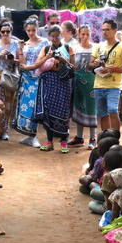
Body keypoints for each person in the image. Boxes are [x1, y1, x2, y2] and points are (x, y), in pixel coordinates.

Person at [32, 25, 75, 153]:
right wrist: (48, 57)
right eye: (52, 37)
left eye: (57, 36)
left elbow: (74, 68)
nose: (55, 39)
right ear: (49, 37)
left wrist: (64, 60)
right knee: (49, 111)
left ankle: (63, 141)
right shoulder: (45, 49)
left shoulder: (68, 48)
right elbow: (37, 65)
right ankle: (49, 141)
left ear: (61, 35)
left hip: (64, 83)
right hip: (49, 83)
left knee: (63, 111)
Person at [88, 19, 122, 131]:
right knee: (102, 114)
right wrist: (95, 63)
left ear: (115, 31)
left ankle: (115, 140)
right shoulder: (98, 47)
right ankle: (106, 139)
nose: (104, 32)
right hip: (99, 85)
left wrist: (113, 69)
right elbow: (89, 65)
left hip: (114, 86)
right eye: (103, 30)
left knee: (113, 110)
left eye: (107, 29)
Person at [14, 15, 49, 148]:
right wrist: (21, 50)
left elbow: (44, 60)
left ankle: (33, 135)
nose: (31, 33)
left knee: (35, 106)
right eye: (28, 30)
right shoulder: (25, 44)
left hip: (39, 77)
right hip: (27, 78)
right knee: (26, 106)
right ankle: (29, 134)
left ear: (37, 29)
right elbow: (22, 64)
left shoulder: (44, 42)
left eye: (33, 30)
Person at [0, 20, 23, 140]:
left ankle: (5, 130)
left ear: (11, 31)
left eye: (8, 31)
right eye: (3, 31)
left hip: (9, 76)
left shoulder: (16, 44)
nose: (5, 33)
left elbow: (21, 60)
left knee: (8, 104)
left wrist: (13, 60)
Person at [67, 25, 98, 149]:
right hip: (77, 81)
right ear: (78, 35)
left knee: (91, 107)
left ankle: (93, 138)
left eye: (87, 34)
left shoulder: (96, 48)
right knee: (78, 107)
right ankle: (79, 137)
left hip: (91, 81)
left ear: (91, 34)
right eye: (82, 34)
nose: (85, 37)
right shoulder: (74, 48)